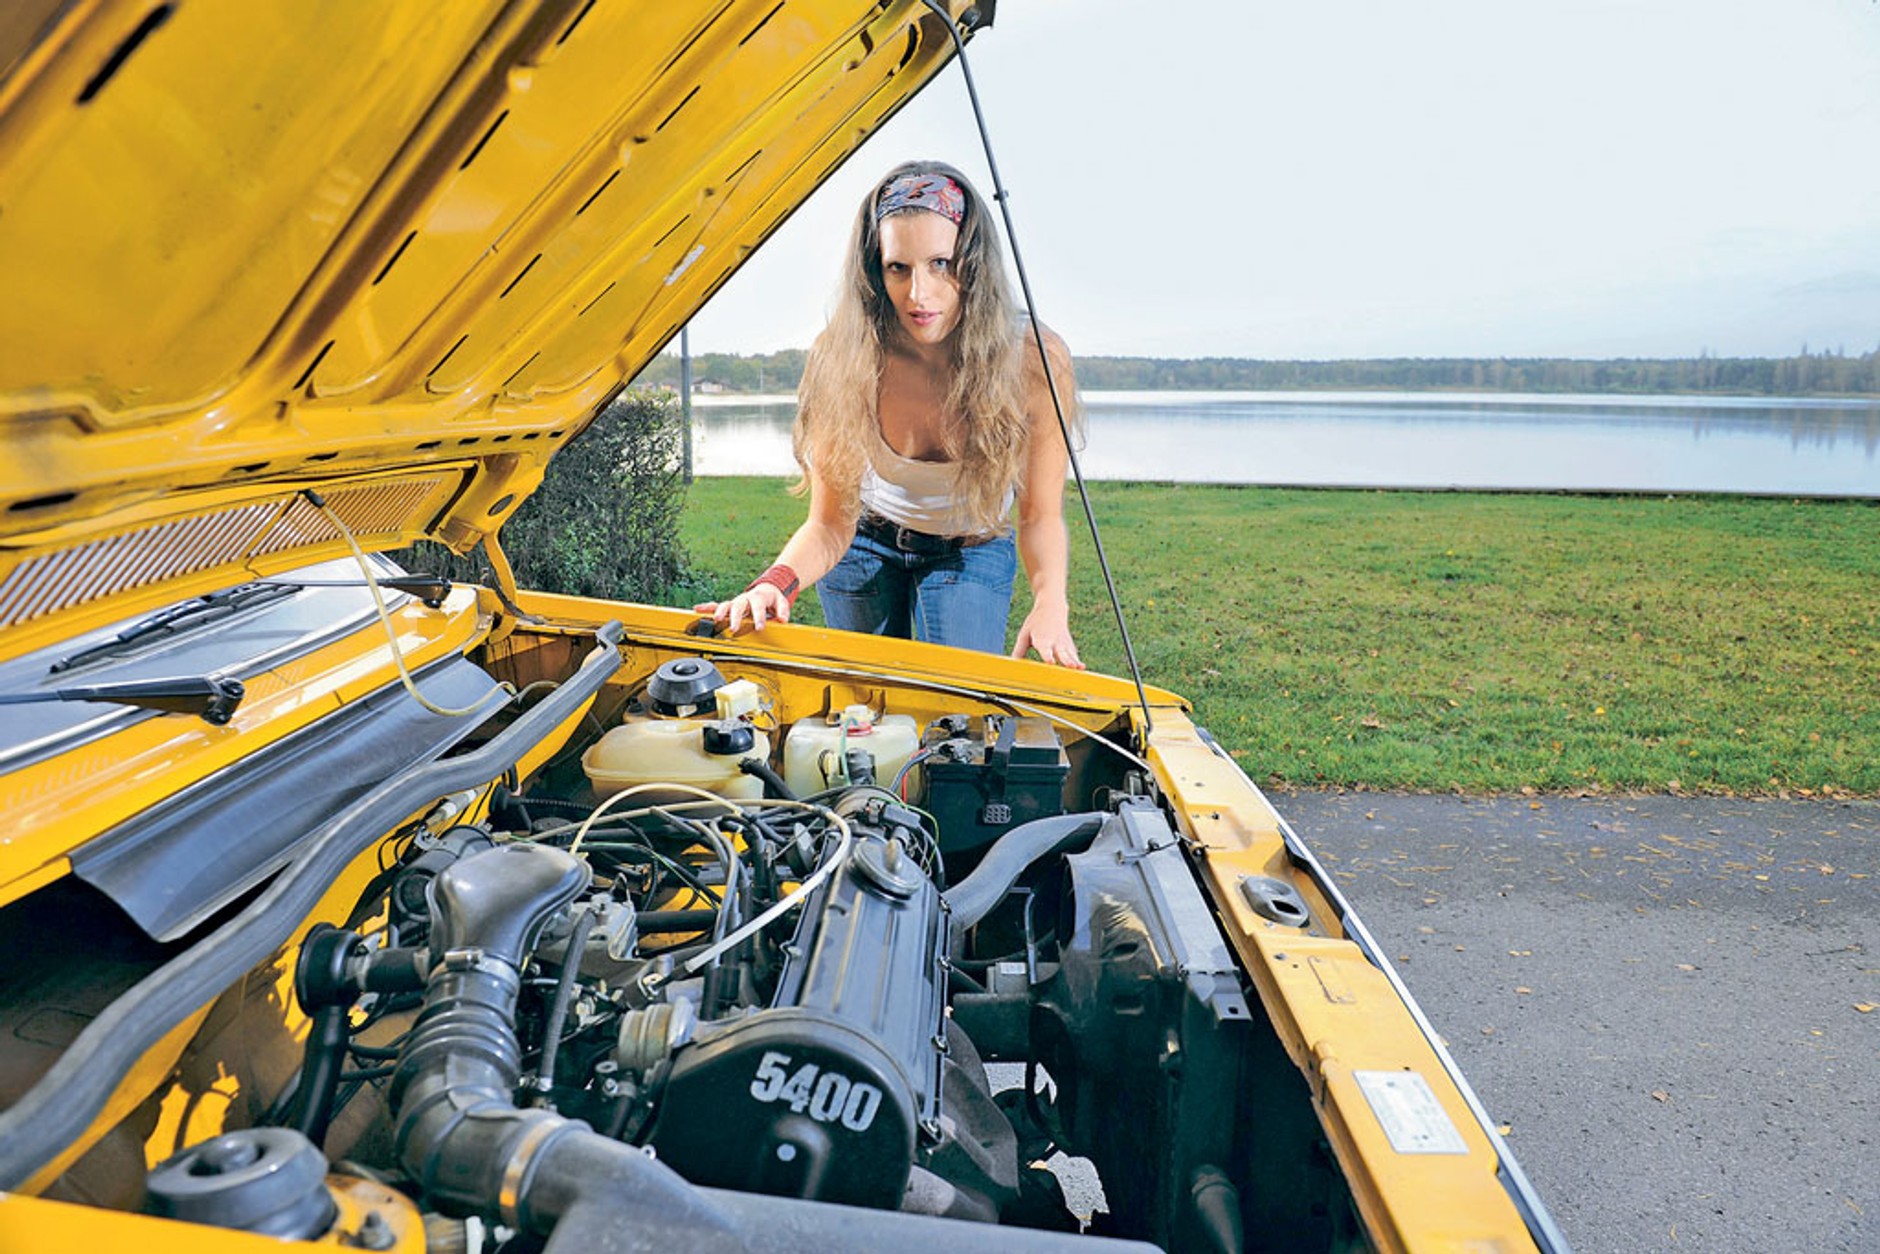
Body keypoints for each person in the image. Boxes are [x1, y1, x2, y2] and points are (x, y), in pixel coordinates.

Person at [695, 160, 1084, 669]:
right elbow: (829, 525)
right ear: (875, 269)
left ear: (974, 262)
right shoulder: (844, 356)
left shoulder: (1034, 360)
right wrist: (775, 583)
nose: (918, 294)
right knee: (866, 702)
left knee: (955, 705)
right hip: (864, 541)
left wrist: (1051, 601)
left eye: (940, 264)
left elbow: (1039, 515)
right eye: (898, 267)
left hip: (971, 547)